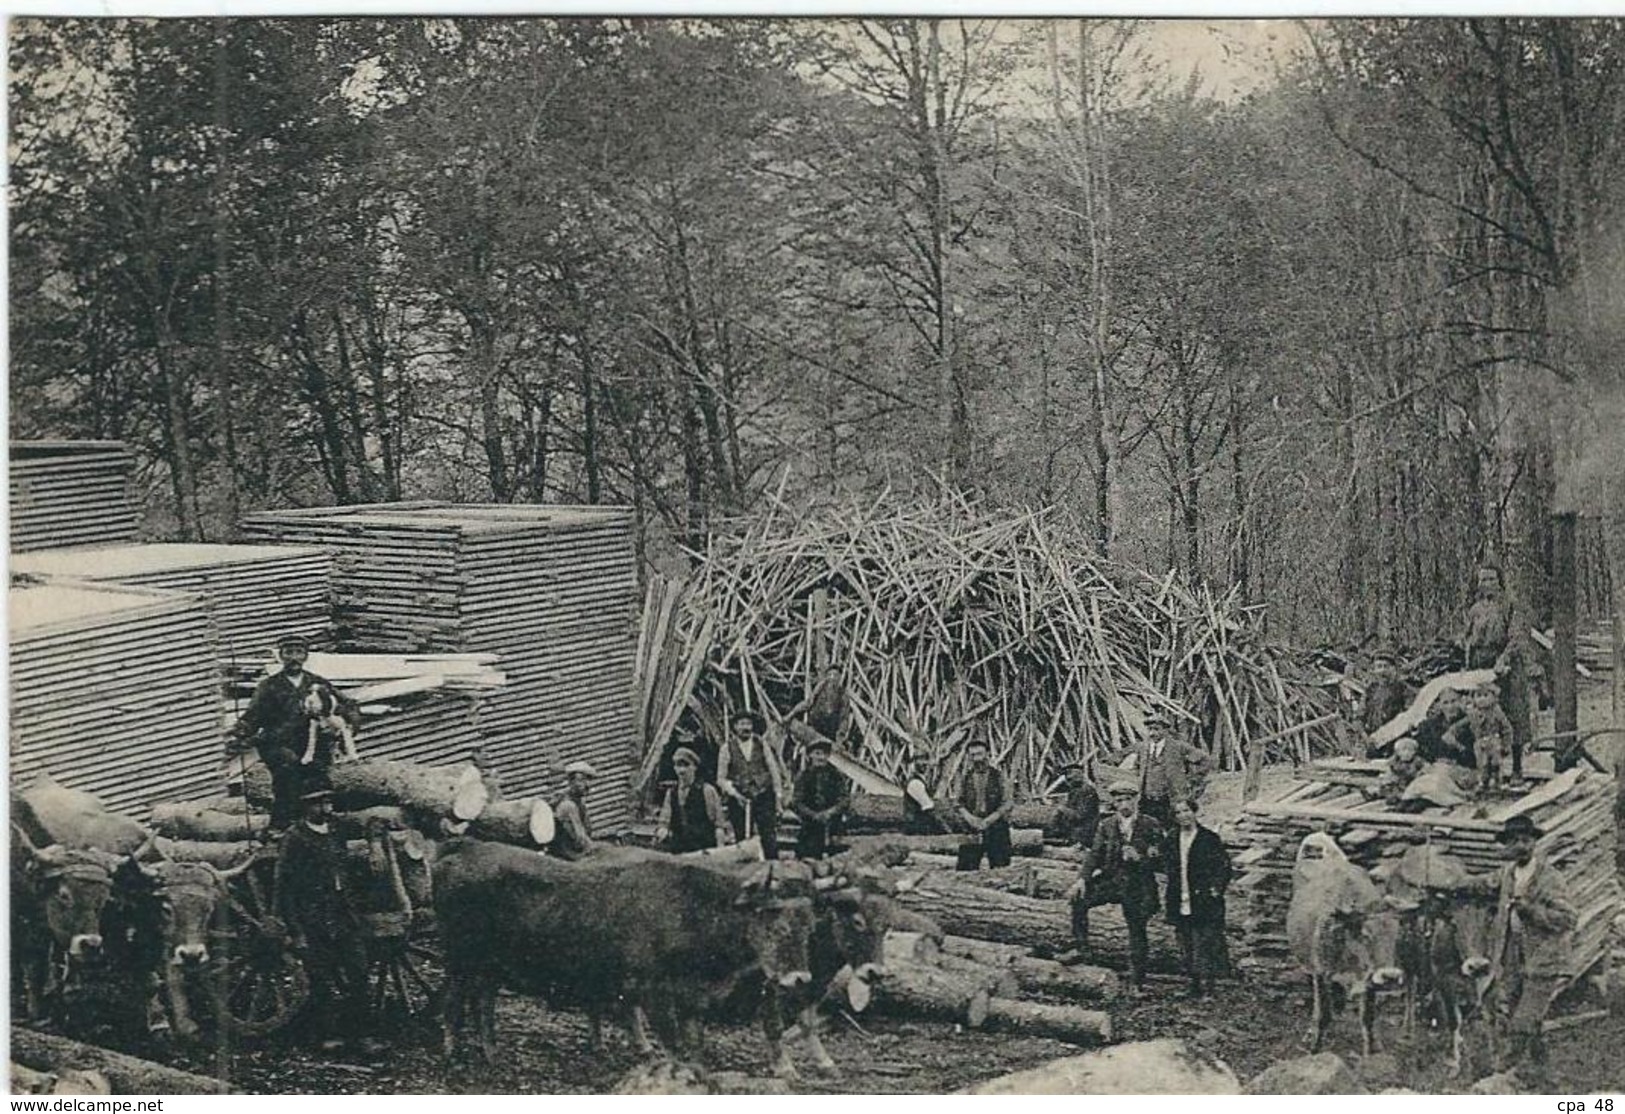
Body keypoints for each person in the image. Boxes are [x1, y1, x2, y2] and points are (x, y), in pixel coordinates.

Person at [1462, 813, 1578, 1087]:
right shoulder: (1507, 874)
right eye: (1515, 841)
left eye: (1526, 840)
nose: (1521, 846)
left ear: (1534, 843)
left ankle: (1501, 1073)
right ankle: (1544, 1075)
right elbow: (1480, 884)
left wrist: (1531, 911)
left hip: (1543, 958)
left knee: (1523, 1022)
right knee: (1520, 1017)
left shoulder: (1549, 878)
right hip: (1513, 955)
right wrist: (1450, 884)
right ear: (1507, 846)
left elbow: (1568, 919)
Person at [274, 786, 379, 1055]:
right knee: (321, 979)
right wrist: (296, 930)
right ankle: (327, 1035)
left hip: (344, 914)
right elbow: (284, 886)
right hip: (313, 916)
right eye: (318, 803)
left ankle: (362, 1035)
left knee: (359, 973)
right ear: (305, 806)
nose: (325, 808)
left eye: (328, 802)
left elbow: (351, 864)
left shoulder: (336, 830)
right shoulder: (295, 837)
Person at [230, 634, 357, 830]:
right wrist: (240, 732)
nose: (294, 657)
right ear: (281, 656)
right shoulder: (269, 686)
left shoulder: (318, 683)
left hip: (313, 745)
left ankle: (319, 825)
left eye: (299, 652)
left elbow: (346, 705)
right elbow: (253, 716)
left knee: (318, 777)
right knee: (288, 771)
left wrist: (347, 725)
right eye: (289, 653)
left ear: (306, 656)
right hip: (278, 743)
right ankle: (282, 826)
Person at [1064, 782, 1160, 990]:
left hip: (1139, 883)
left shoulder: (1150, 824)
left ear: (1136, 800)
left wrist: (1141, 857)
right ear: (1113, 803)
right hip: (1113, 879)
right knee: (1079, 900)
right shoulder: (1106, 825)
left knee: (1137, 928)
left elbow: (1161, 861)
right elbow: (1095, 854)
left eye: (1128, 799)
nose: (1123, 804)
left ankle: (1137, 980)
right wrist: (1082, 879)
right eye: (1119, 800)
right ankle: (1082, 949)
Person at [1461, 560, 1534, 780]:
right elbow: (1468, 638)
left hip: (1506, 666)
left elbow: (1517, 636)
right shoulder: (1475, 609)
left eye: (1492, 578)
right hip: (1481, 665)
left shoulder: (1511, 605)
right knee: (1483, 715)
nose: (1487, 583)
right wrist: (1467, 663)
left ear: (1500, 581)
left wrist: (1504, 659)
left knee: (1512, 715)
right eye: (1483, 579)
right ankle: (1486, 770)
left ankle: (1517, 768)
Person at [1164, 797, 1232, 999]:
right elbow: (1165, 864)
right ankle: (1192, 985)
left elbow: (1223, 867)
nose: (1183, 816)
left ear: (1194, 812)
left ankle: (1208, 988)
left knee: (1204, 943)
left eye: (1186, 811)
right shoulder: (1172, 839)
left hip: (1203, 899)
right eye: (1178, 813)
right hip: (1180, 896)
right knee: (1185, 943)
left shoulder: (1209, 839)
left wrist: (1215, 889)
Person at [716, 709, 787, 859]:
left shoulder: (762, 744)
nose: (745, 727)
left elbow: (773, 770)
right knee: (742, 837)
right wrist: (735, 794)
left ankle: (772, 868)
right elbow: (721, 778)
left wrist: (778, 796)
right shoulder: (726, 748)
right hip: (739, 798)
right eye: (741, 724)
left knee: (768, 836)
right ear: (735, 727)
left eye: (748, 723)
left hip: (763, 796)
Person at [1135, 710, 1212, 830]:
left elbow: (1205, 760)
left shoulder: (1178, 747)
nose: (1152, 733)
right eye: (1150, 729)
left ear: (1165, 730)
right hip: (1147, 800)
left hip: (1170, 799)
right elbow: (1138, 767)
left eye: (1156, 729)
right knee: (1149, 829)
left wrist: (1192, 780)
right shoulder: (1144, 748)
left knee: (1173, 829)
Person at [656, 747, 731, 853]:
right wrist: (662, 831)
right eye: (678, 766)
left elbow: (718, 825)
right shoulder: (671, 793)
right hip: (679, 850)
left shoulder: (707, 791)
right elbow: (664, 822)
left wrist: (720, 850)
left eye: (686, 765)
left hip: (703, 849)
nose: (682, 770)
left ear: (694, 767)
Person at [955, 739, 1013, 870]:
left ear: (987, 754)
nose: (977, 759)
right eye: (973, 755)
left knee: (1001, 868)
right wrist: (969, 818)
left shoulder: (999, 776)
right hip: (972, 827)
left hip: (996, 827)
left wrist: (990, 819)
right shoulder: (965, 778)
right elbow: (958, 803)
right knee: (966, 869)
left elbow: (1008, 802)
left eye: (980, 754)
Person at [791, 737, 850, 860]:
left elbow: (844, 799)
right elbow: (797, 802)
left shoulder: (836, 775)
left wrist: (830, 812)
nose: (821, 757)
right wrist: (813, 815)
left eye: (824, 754)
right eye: (817, 753)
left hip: (833, 822)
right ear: (810, 755)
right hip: (811, 823)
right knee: (808, 857)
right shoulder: (803, 776)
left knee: (838, 858)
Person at [786, 664, 852, 767]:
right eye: (830, 675)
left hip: (829, 734)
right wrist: (791, 714)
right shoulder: (821, 687)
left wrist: (840, 740)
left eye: (836, 676)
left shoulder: (843, 695)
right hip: (814, 727)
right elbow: (808, 703)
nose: (832, 678)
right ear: (826, 676)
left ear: (840, 678)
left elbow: (844, 719)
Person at [1051, 760, 1102, 852]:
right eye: (1067, 776)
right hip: (1073, 832)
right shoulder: (1074, 791)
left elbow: (1080, 816)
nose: (1068, 779)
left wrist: (1062, 809)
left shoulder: (1087, 791)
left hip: (1083, 834)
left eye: (1070, 775)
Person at [1361, 649, 1415, 735]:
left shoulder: (1403, 689)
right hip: (1372, 736)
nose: (1382, 671)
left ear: (1393, 669)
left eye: (1386, 666)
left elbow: (1411, 713)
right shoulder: (1370, 689)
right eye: (1379, 667)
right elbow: (1361, 713)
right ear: (1374, 670)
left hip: (1396, 734)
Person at [552, 761, 597, 861]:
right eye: (581, 780)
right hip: (567, 855)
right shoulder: (568, 806)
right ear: (571, 782)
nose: (587, 785)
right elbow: (580, 838)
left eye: (589, 780)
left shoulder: (580, 804)